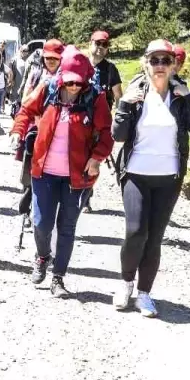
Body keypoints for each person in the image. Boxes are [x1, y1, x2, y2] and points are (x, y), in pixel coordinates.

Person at [111, 38, 190, 316]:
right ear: (146, 64)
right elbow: (119, 136)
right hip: (136, 174)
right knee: (136, 231)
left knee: (154, 238)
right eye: (155, 60)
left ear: (174, 65)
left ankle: (144, 294)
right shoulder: (136, 93)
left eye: (166, 60)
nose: (160, 66)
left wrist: (188, 96)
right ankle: (126, 283)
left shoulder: (181, 96)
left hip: (169, 177)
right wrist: (125, 106)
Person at [10, 47, 113, 298]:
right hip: (44, 171)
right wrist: (17, 131)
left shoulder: (94, 97)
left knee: (66, 227)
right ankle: (42, 255)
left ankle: (58, 276)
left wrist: (97, 158)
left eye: (79, 82)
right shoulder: (48, 89)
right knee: (41, 223)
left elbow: (107, 133)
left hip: (78, 176)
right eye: (70, 81)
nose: (74, 86)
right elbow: (25, 111)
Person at [15, 39, 64, 224]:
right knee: (32, 169)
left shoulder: (68, 77)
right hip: (36, 128)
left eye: (55, 58)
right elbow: (26, 99)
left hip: (59, 130)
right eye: (48, 57)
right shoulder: (36, 73)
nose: (51, 61)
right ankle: (28, 209)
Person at [80, 29, 123, 213]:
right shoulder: (80, 64)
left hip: (99, 122)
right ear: (90, 43)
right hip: (79, 118)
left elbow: (118, 95)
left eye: (104, 45)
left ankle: (85, 196)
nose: (100, 48)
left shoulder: (110, 69)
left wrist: (119, 120)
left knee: (93, 158)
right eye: (98, 43)